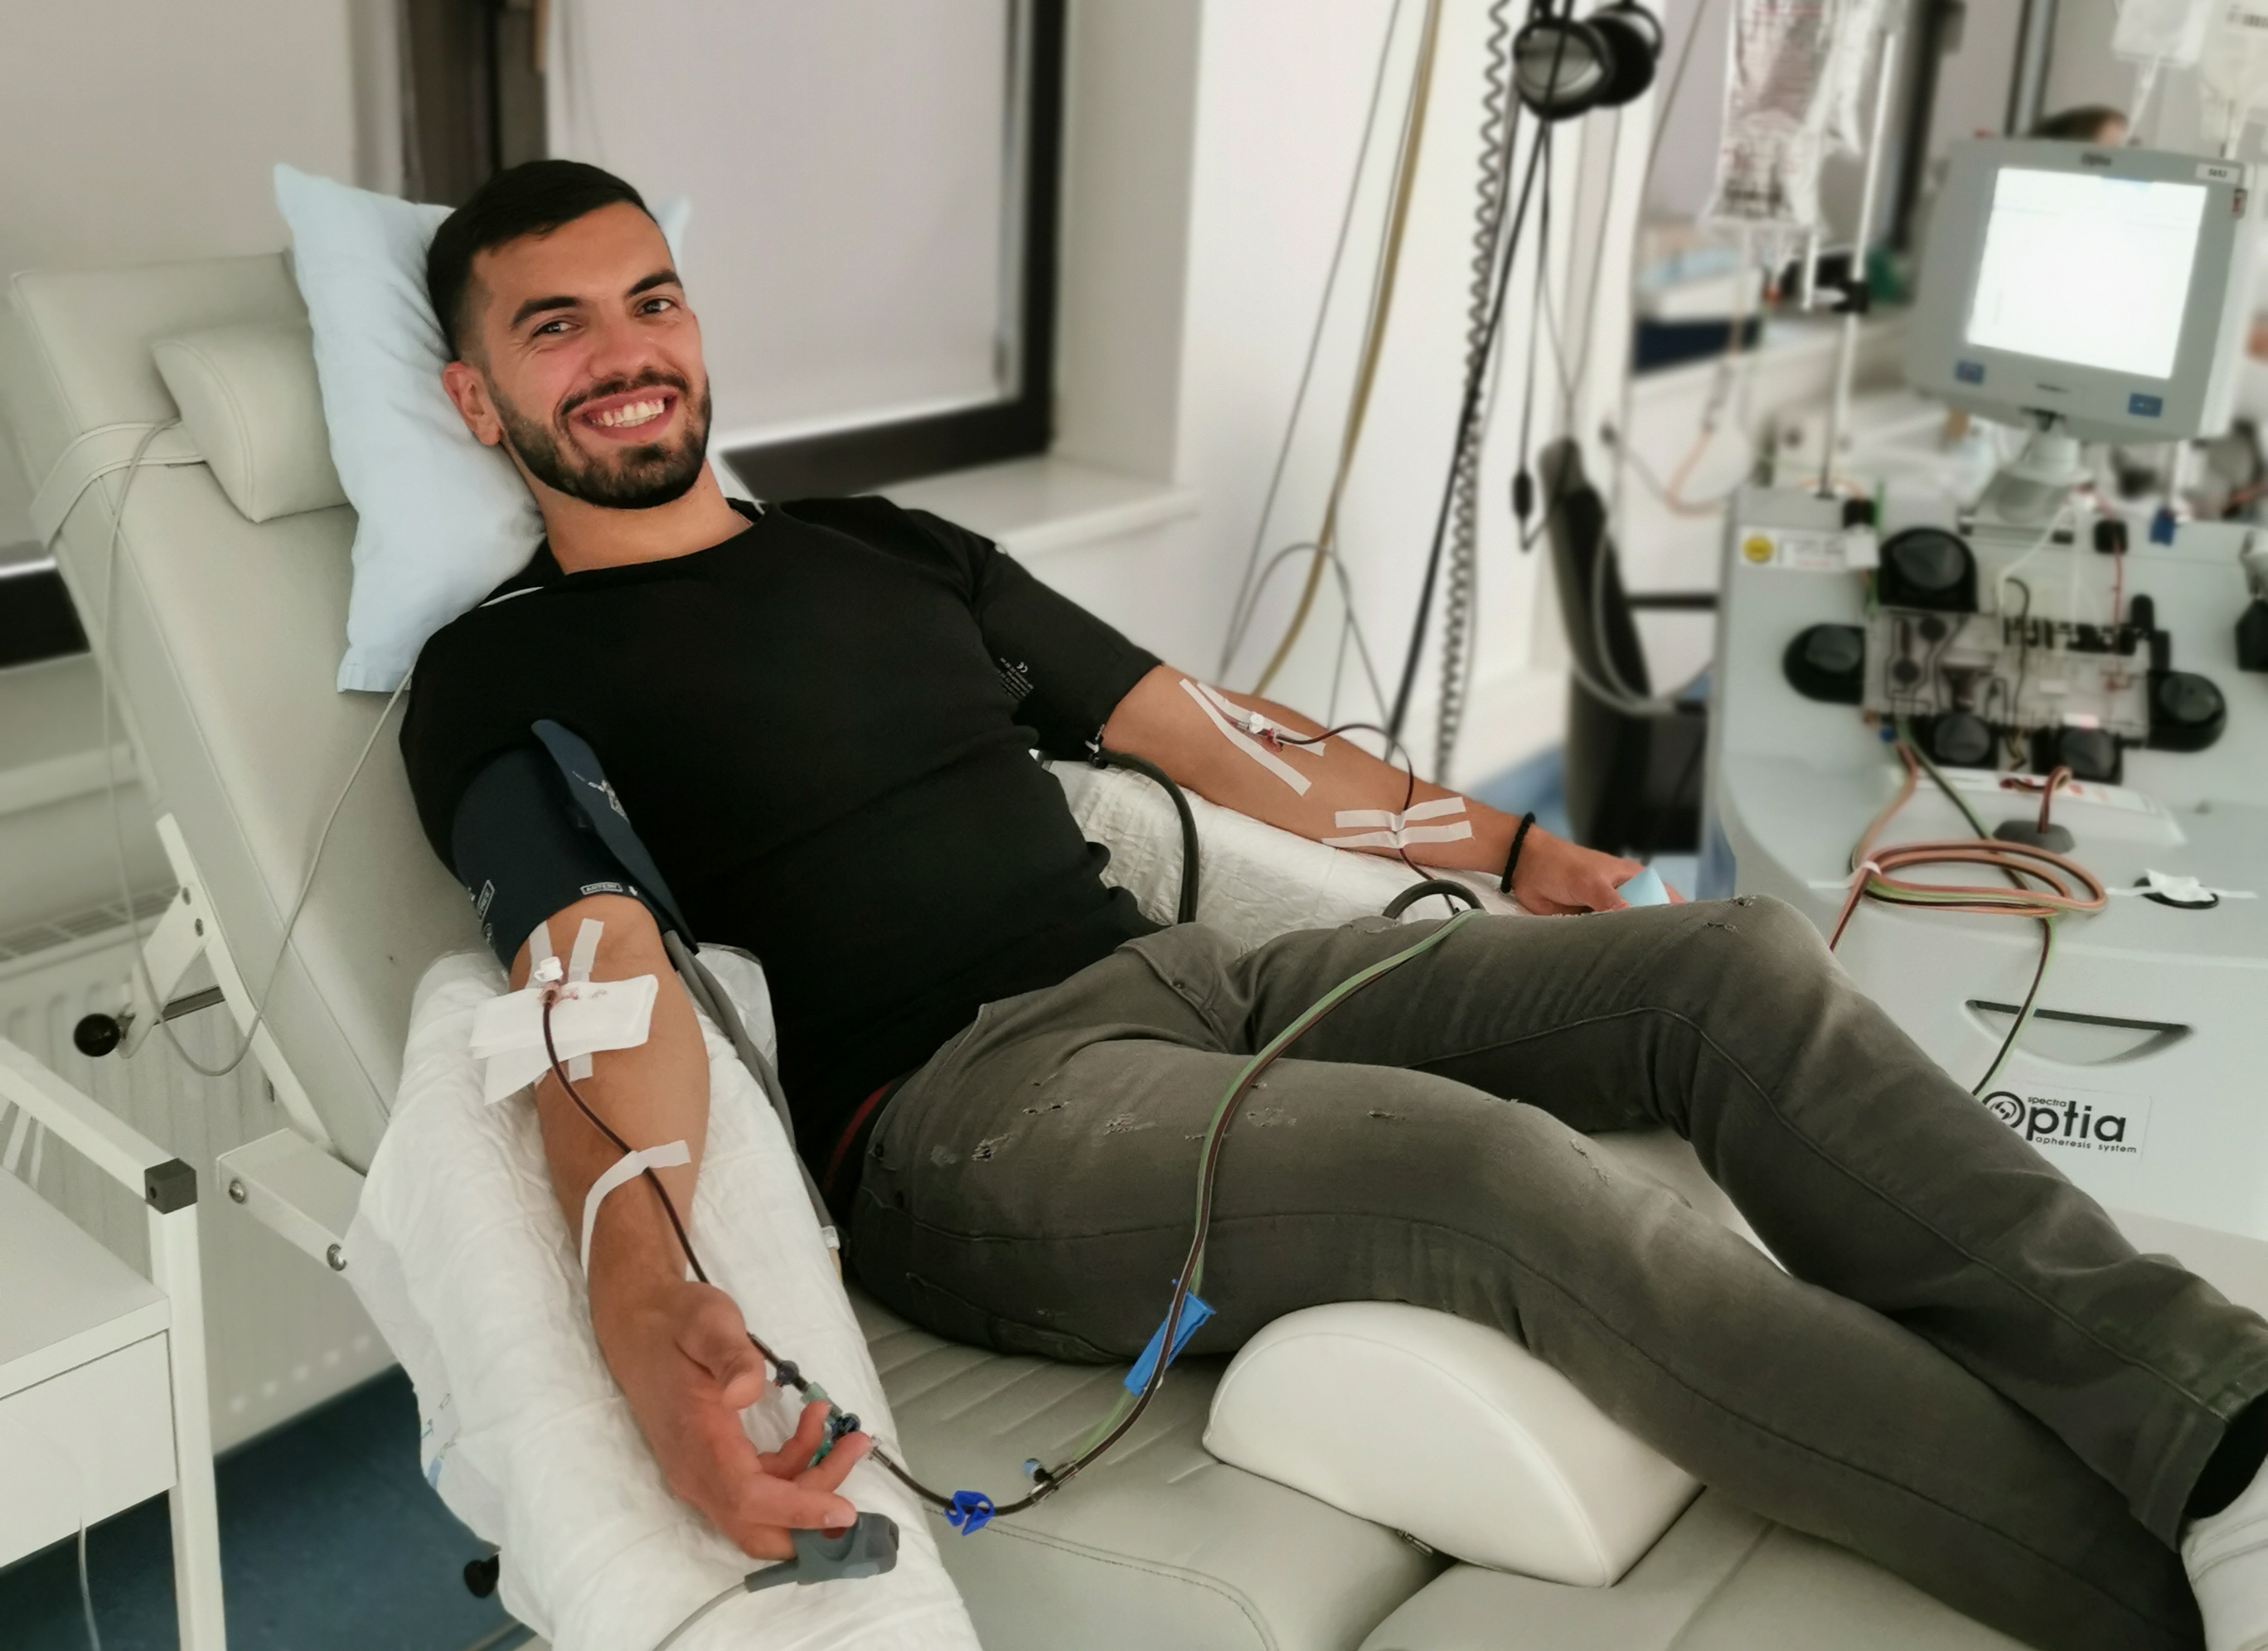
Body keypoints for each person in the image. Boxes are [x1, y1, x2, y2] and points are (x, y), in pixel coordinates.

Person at [400, 160, 2268, 1651]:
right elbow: (589, 969)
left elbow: (1211, 735)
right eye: (557, 327)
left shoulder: (883, 549)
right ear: (477, 398)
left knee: (1727, 966)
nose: (625, 351)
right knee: (1483, 1174)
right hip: (971, 1126)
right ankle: (2149, 1606)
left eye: (652, 300)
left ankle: (2229, 1443)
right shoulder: (497, 670)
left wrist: (1507, 850)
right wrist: (645, 1296)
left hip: (1193, 984)